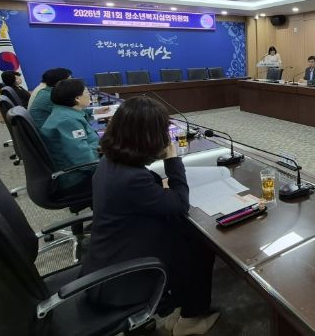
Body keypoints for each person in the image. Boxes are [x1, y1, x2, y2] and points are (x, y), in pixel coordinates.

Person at [81, 97, 218, 336]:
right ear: (148, 136)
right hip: (121, 277)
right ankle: (190, 321)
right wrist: (172, 159)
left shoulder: (111, 160)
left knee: (187, 236)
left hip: (109, 256)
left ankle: (180, 308)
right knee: (199, 245)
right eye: (163, 130)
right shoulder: (131, 178)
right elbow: (179, 204)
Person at [39, 79, 99, 193]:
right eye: (87, 92)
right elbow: (86, 162)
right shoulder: (68, 121)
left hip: (78, 169)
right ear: (77, 98)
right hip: (77, 179)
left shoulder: (64, 113)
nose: (89, 95)